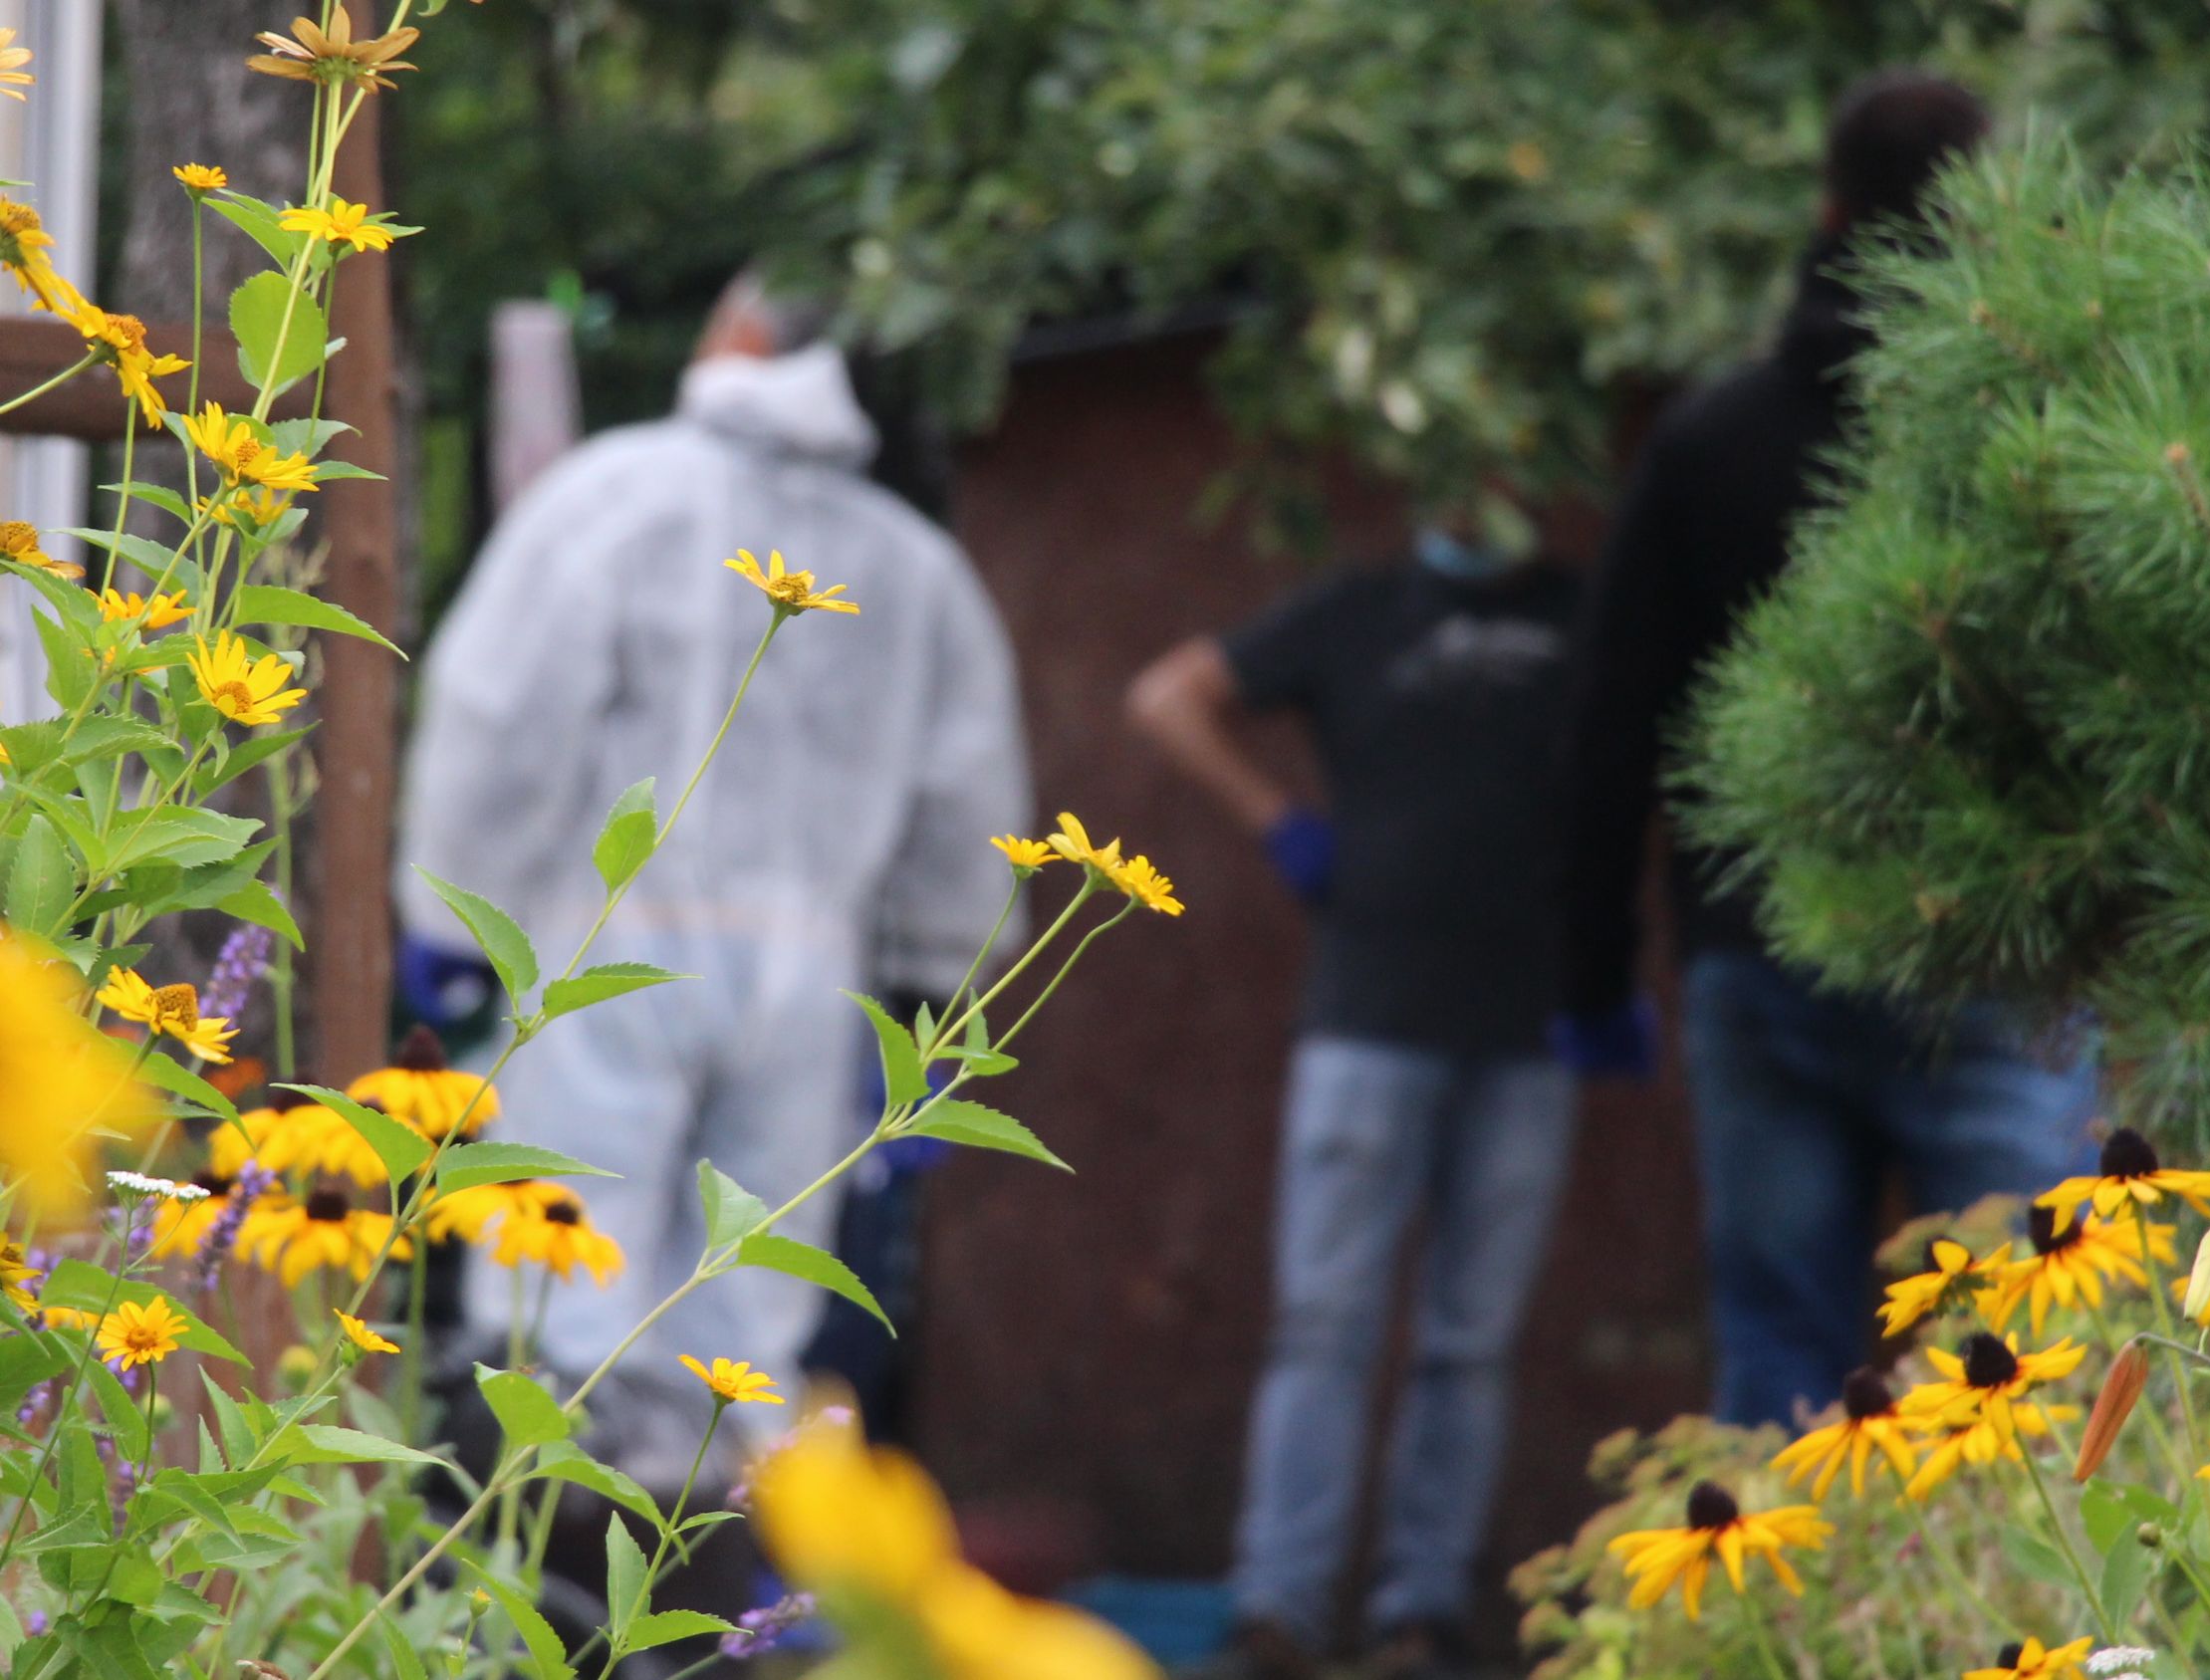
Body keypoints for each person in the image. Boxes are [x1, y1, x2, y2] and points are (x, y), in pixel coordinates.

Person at [398, 274, 1030, 1491]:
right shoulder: (911, 561)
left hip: (610, 947)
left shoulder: (611, 500)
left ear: (736, 338)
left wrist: (454, 906)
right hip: (811, 972)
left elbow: (501, 717)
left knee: (559, 1284)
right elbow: (967, 797)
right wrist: (936, 989)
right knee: (746, 1317)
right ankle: (698, 1616)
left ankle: (543, 1595)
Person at [1550, 71, 2097, 1428]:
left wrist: (1592, 972)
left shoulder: (1706, 444)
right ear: (1985, 217)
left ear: (1828, 210)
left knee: (1786, 1356)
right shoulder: (2039, 438)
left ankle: (1776, 1636)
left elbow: (1614, 727)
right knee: (2023, 1347)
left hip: (1761, 951)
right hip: (1993, 956)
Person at [1127, 522, 1582, 1680]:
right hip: (1368, 1022)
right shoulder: (1357, 608)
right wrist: (1279, 823)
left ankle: (1420, 1618)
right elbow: (1168, 696)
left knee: (1469, 1341)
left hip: (1532, 1028)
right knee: (1324, 1324)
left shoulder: (1588, 614)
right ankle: (1276, 1616)